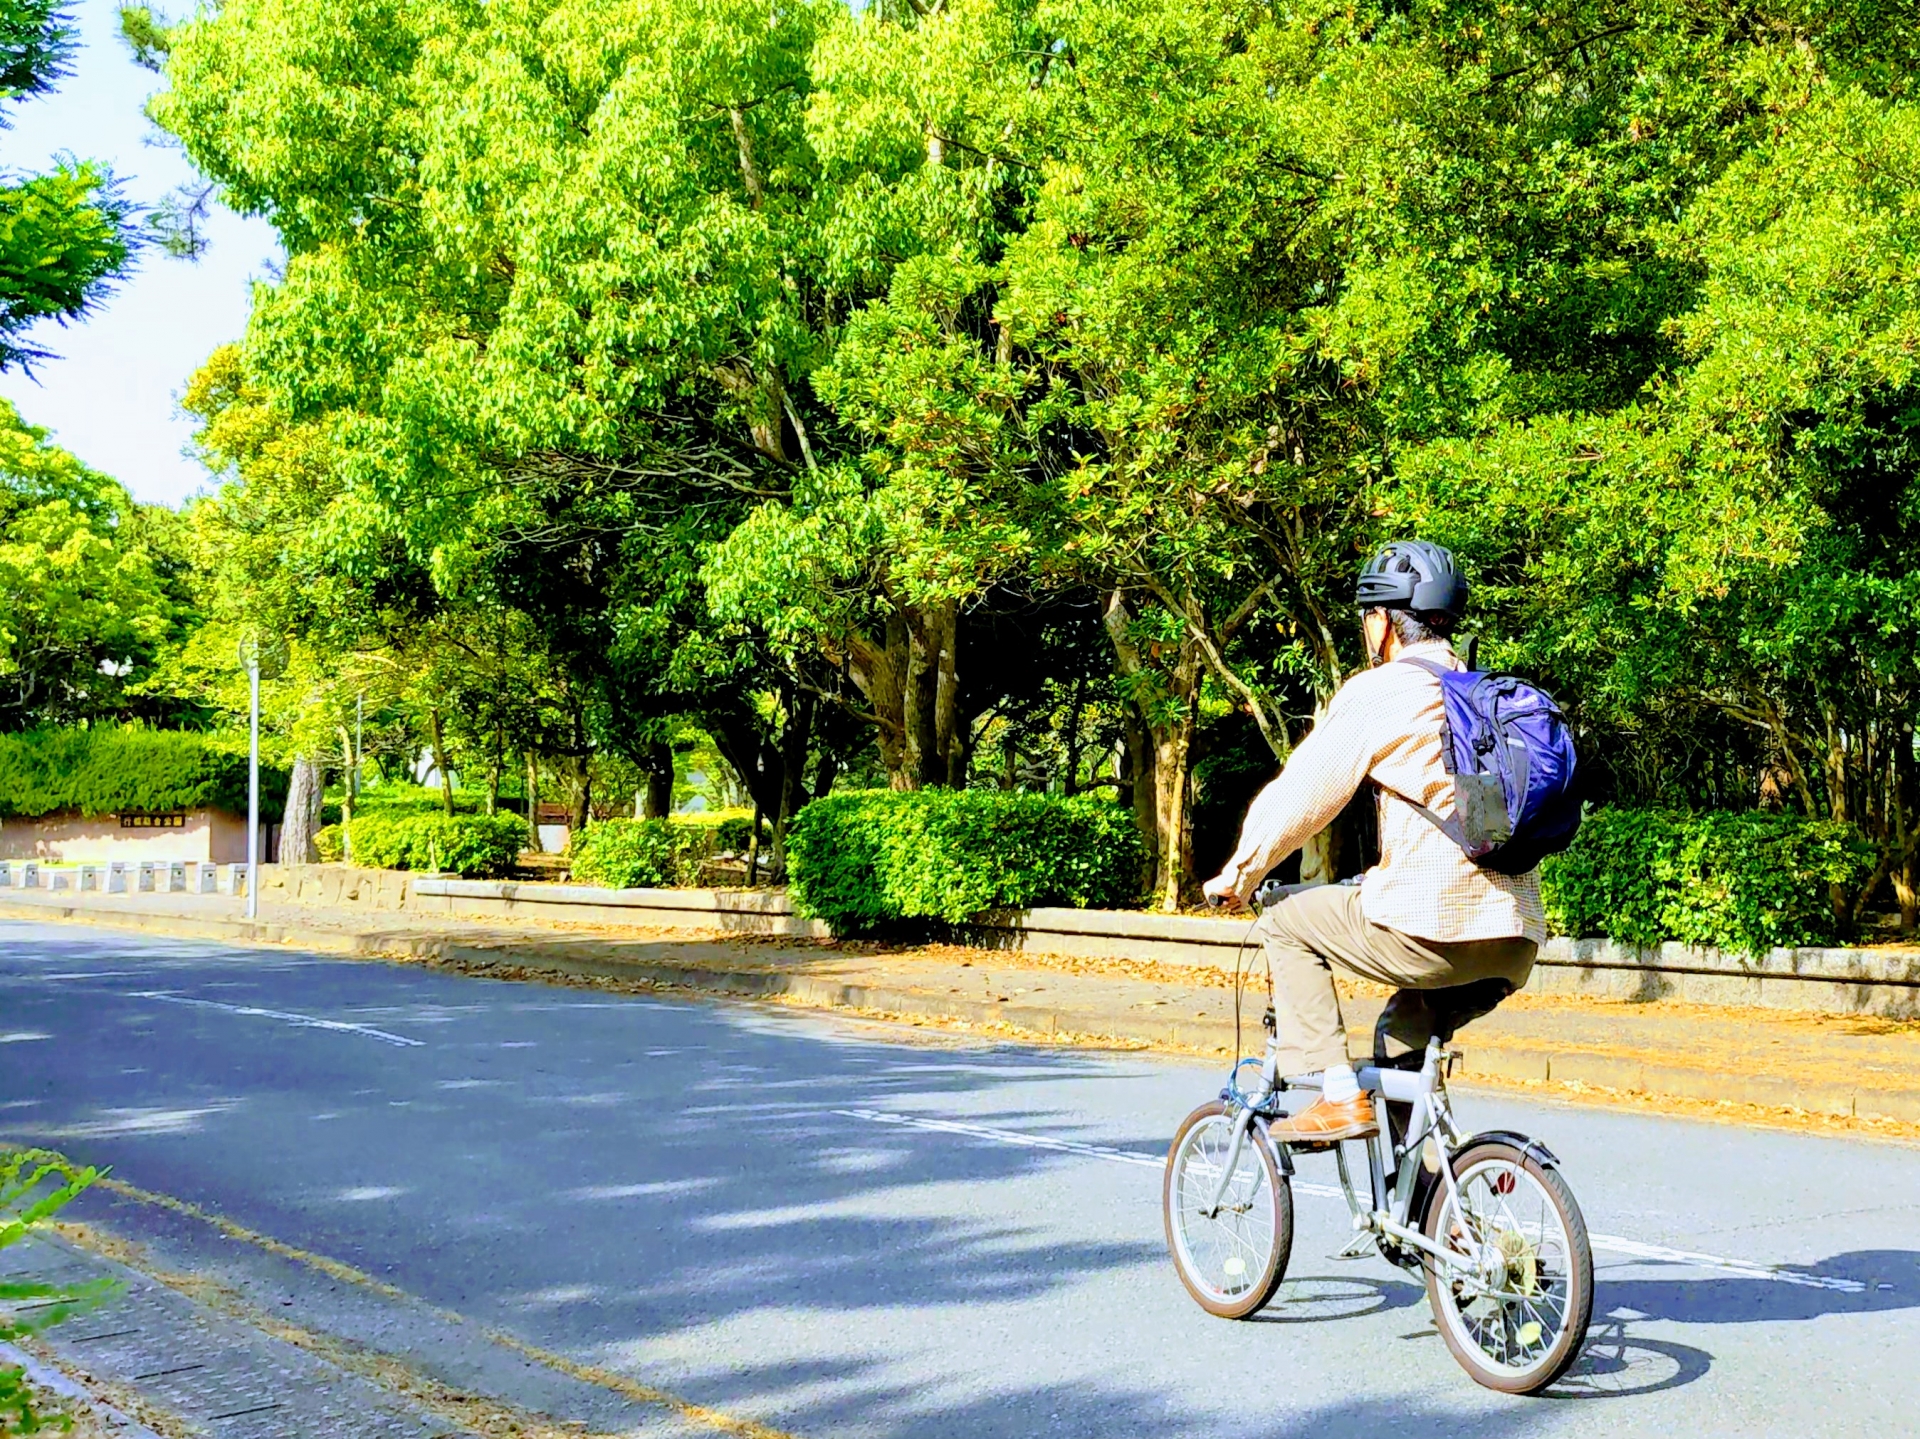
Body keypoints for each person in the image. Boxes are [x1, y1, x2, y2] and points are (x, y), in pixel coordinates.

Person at [1200, 541, 1544, 1143]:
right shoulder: (1482, 695)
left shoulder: (1381, 692)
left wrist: (1240, 874)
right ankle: (1439, 1217)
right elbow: (1483, 827)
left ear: (1382, 622)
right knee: (1398, 1044)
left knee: (1286, 923)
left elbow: (1303, 796)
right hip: (1514, 940)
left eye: (1366, 617)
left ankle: (1336, 1096)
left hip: (1433, 933)